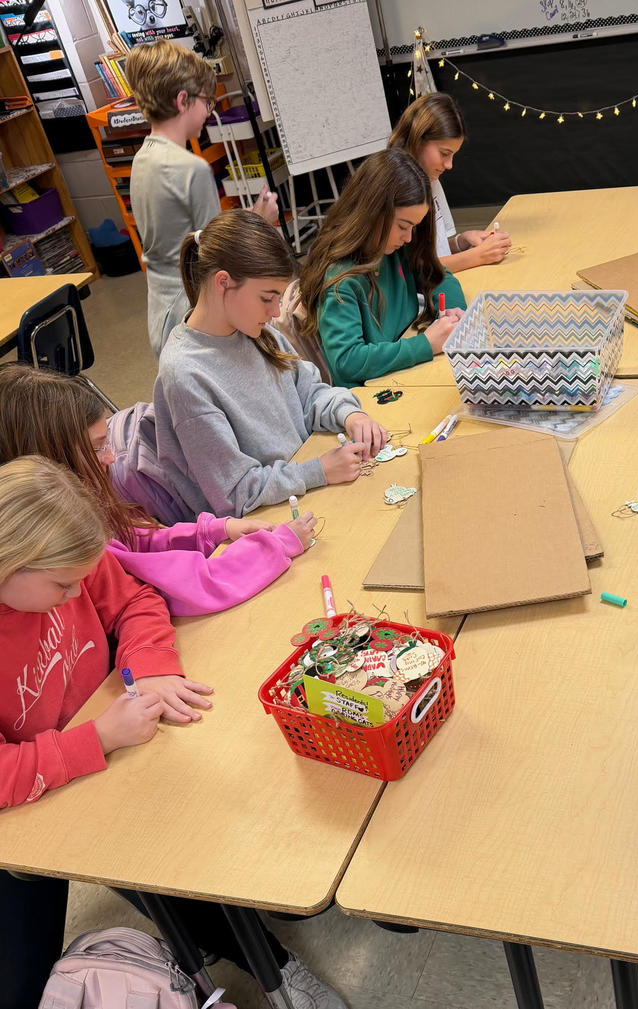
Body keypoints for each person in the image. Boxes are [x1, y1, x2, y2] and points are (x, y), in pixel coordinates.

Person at [0, 456, 348, 1009]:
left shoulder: (65, 561)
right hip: (38, 798)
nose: (75, 595)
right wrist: (96, 739)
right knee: (24, 983)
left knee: (185, 865)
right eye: (63, 586)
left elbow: (135, 598)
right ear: (10, 564)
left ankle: (266, 963)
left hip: (109, 746)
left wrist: (150, 662)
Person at [109, 209, 388, 525]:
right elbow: (236, 494)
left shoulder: (257, 332)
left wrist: (349, 414)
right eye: (267, 298)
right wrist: (318, 470)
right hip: (268, 517)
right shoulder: (185, 375)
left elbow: (309, 393)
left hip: (300, 488)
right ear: (223, 282)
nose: (276, 312)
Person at [0, 363, 317, 617]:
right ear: (51, 458)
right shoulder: (72, 542)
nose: (111, 458)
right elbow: (187, 586)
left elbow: (138, 540)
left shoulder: (68, 516)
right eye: (97, 448)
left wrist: (214, 531)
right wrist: (276, 545)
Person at [125, 40, 278, 357]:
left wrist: (246, 218)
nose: (209, 112)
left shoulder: (142, 159)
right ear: (183, 100)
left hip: (160, 310)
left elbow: (190, 236)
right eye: (207, 102)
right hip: (191, 310)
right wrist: (260, 222)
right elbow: (217, 257)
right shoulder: (191, 169)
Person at [296, 148, 467, 388]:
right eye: (403, 226)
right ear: (373, 213)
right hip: (370, 394)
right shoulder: (340, 278)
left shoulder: (393, 246)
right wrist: (425, 345)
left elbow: (439, 276)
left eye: (414, 227)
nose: (408, 237)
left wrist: (453, 312)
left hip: (403, 375)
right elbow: (347, 361)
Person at [388, 92, 512, 270]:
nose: (449, 165)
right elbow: (417, 269)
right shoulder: (400, 189)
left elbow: (436, 251)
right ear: (417, 139)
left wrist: (463, 240)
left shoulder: (431, 179)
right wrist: (478, 256)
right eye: (444, 153)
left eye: (453, 155)